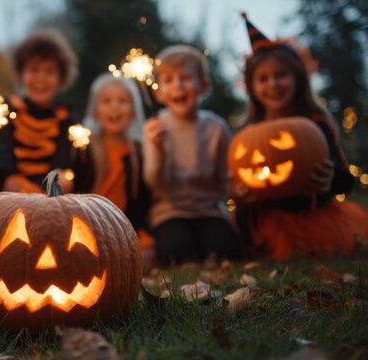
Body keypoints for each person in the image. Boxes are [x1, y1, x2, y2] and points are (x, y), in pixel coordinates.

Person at [232, 13, 367, 260]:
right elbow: (236, 182)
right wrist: (239, 195)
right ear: (251, 87)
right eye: (263, 78)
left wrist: (329, 182)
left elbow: (344, 178)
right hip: (267, 219)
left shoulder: (315, 124)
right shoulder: (247, 131)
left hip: (314, 215)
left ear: (298, 79)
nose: (273, 84)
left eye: (281, 75)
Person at [142, 45, 241, 265]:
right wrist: (158, 151)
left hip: (209, 211)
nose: (178, 85)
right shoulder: (154, 128)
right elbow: (154, 182)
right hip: (169, 213)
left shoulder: (216, 128)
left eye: (185, 78)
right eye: (168, 80)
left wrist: (238, 191)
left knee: (227, 247)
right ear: (158, 93)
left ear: (203, 86)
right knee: (176, 249)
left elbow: (226, 177)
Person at [0, 29, 78, 194]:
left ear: (61, 78)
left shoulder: (66, 118)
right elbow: (1, 162)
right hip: (11, 198)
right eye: (34, 69)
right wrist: (9, 180)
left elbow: (67, 165)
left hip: (54, 200)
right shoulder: (6, 112)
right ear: (21, 74)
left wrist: (63, 179)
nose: (41, 78)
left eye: (49, 71)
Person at [72, 73, 151, 249]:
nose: (114, 107)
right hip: (88, 225)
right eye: (106, 101)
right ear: (95, 110)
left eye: (122, 101)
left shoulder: (140, 152)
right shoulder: (84, 149)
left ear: (133, 110)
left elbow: (142, 201)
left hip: (126, 228)